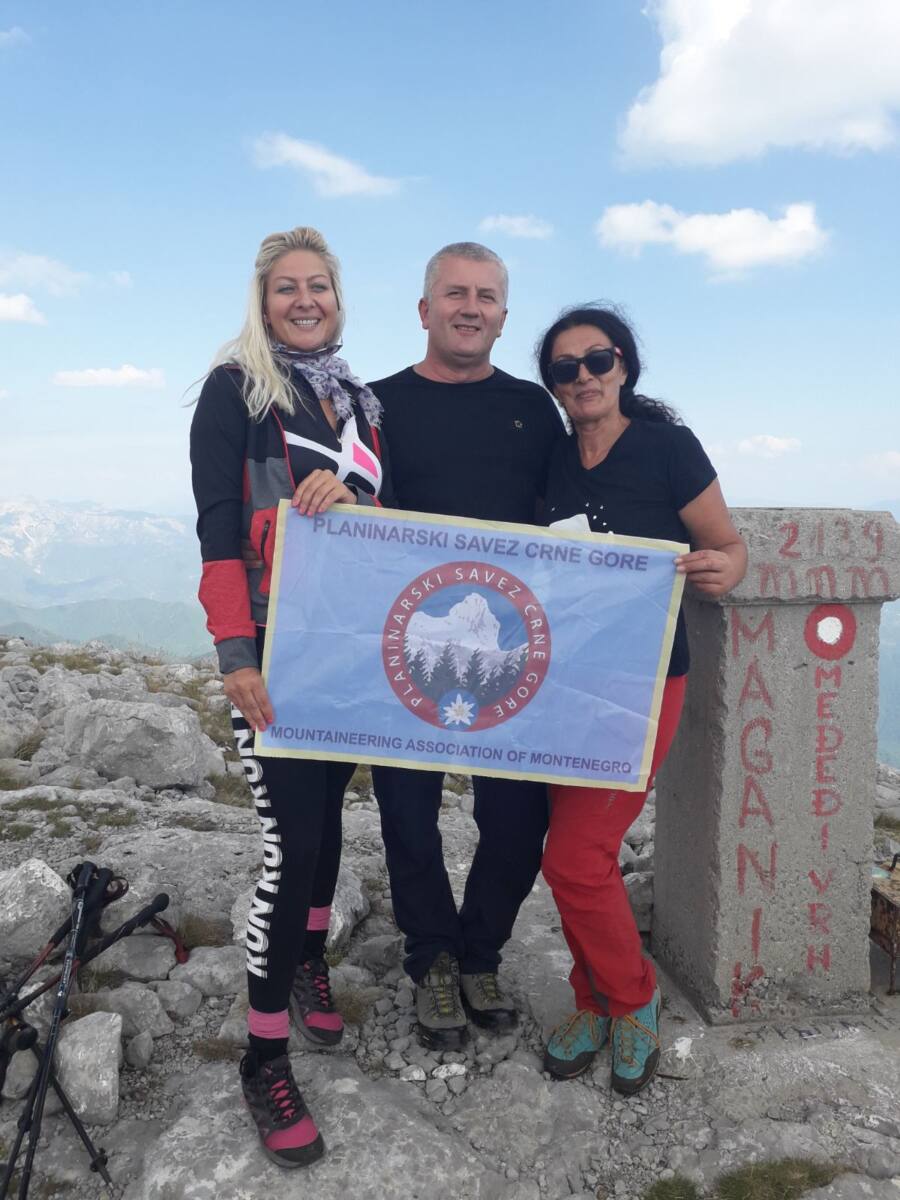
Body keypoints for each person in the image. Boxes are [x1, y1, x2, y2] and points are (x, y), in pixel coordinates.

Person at [190, 226, 389, 1168]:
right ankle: (263, 1058)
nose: (304, 300)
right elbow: (217, 527)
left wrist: (357, 503)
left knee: (329, 820)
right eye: (286, 288)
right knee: (292, 843)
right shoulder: (235, 389)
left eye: (319, 286)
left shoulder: (359, 403)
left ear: (338, 300)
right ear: (262, 302)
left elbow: (387, 526)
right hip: (274, 649)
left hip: (347, 647)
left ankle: (309, 963)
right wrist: (236, 656)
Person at [535, 304, 747, 1095]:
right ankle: (591, 1000)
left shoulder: (667, 448)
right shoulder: (551, 460)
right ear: (554, 384)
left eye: (598, 359)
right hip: (563, 683)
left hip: (646, 681)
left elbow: (727, 546)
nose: (584, 376)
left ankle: (632, 1000)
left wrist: (727, 568)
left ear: (623, 364)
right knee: (578, 860)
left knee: (573, 856)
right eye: (566, 368)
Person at [368, 242, 565, 1049]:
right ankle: (432, 958)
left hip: (510, 646)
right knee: (407, 813)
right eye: (455, 293)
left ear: (504, 318)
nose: (470, 307)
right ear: (425, 309)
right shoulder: (375, 405)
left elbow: (567, 523)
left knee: (516, 819)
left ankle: (482, 952)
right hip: (407, 642)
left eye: (486, 296)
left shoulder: (533, 409)